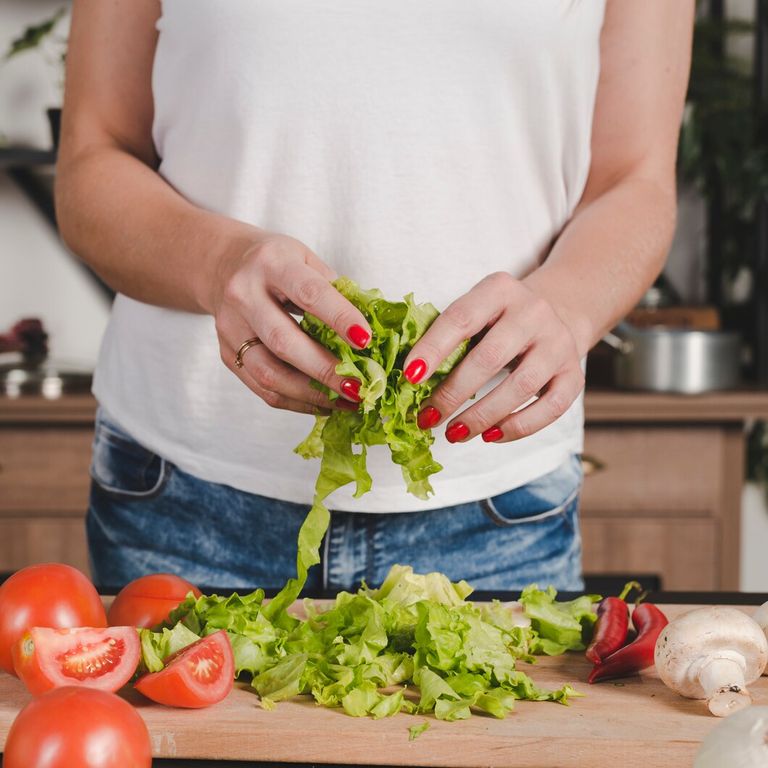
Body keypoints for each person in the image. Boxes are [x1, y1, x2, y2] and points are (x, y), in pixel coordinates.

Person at [55, 1, 694, 593]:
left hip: (499, 510)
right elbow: (92, 161)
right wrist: (218, 262)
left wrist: (565, 306)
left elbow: (634, 180)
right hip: (186, 498)